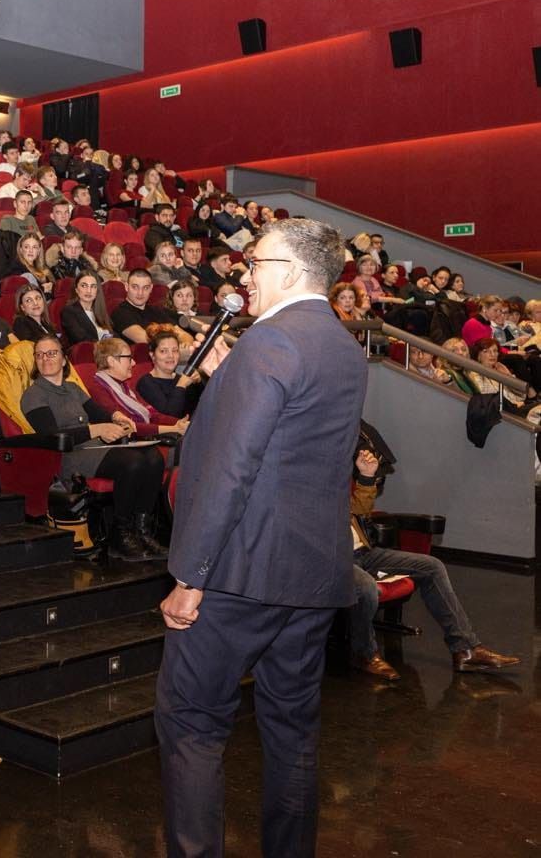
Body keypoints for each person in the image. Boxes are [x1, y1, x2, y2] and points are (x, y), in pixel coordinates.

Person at [156, 218, 369, 858]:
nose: (245, 275)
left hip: (238, 573)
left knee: (192, 725)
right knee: (292, 731)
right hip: (312, 572)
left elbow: (232, 468)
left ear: (291, 272)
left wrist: (191, 577)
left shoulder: (269, 342)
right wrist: (231, 376)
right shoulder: (342, 345)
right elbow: (294, 439)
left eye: (256, 263)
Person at [345, 448, 518, 681]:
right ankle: (363, 653)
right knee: (366, 587)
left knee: (432, 567)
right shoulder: (304, 478)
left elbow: (358, 511)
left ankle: (465, 650)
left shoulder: (335, 472)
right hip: (334, 558)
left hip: (363, 552)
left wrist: (366, 477)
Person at [16, 332, 167, 560]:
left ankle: (142, 532)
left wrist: (116, 419)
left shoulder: (73, 388)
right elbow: (52, 437)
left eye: (52, 353)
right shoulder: (33, 395)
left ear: (64, 359)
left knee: (154, 457)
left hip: (95, 448)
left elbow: (99, 415)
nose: (46, 358)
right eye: (40, 355)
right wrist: (95, 430)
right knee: (133, 462)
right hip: (69, 455)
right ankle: (121, 535)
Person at [88, 338, 189, 444]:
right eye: (129, 358)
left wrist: (180, 423)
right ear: (111, 361)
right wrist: (173, 428)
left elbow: (152, 415)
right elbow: (128, 427)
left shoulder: (123, 386)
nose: (134, 363)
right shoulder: (97, 389)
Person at [138, 331, 202, 417]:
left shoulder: (183, 378)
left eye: (175, 350)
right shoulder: (146, 383)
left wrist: (199, 382)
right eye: (163, 351)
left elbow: (204, 404)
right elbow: (170, 414)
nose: (171, 356)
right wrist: (181, 385)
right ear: (152, 355)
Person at [111, 269, 175, 344]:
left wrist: (184, 342)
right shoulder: (120, 313)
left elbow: (181, 334)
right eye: (135, 287)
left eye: (145, 288)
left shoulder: (156, 310)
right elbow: (146, 340)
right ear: (126, 287)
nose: (140, 293)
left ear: (151, 288)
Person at [61, 272, 113, 345]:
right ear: (76, 289)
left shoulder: (100, 310)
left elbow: (113, 333)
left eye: (93, 286)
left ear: (97, 290)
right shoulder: (69, 311)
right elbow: (80, 338)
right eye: (84, 286)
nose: (89, 291)